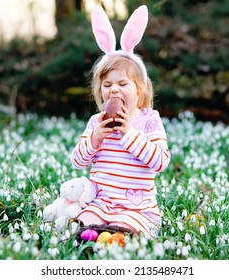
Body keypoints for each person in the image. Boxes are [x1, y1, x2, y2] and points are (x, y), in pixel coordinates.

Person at [71, 5, 171, 239]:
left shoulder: (149, 121)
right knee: (79, 225)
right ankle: (92, 236)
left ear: (140, 88)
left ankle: (115, 237)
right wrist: (95, 138)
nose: (114, 90)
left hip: (136, 207)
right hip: (101, 202)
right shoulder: (97, 121)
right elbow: (77, 160)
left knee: (124, 228)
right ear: (100, 91)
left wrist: (129, 134)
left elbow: (160, 162)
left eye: (123, 84)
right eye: (107, 85)